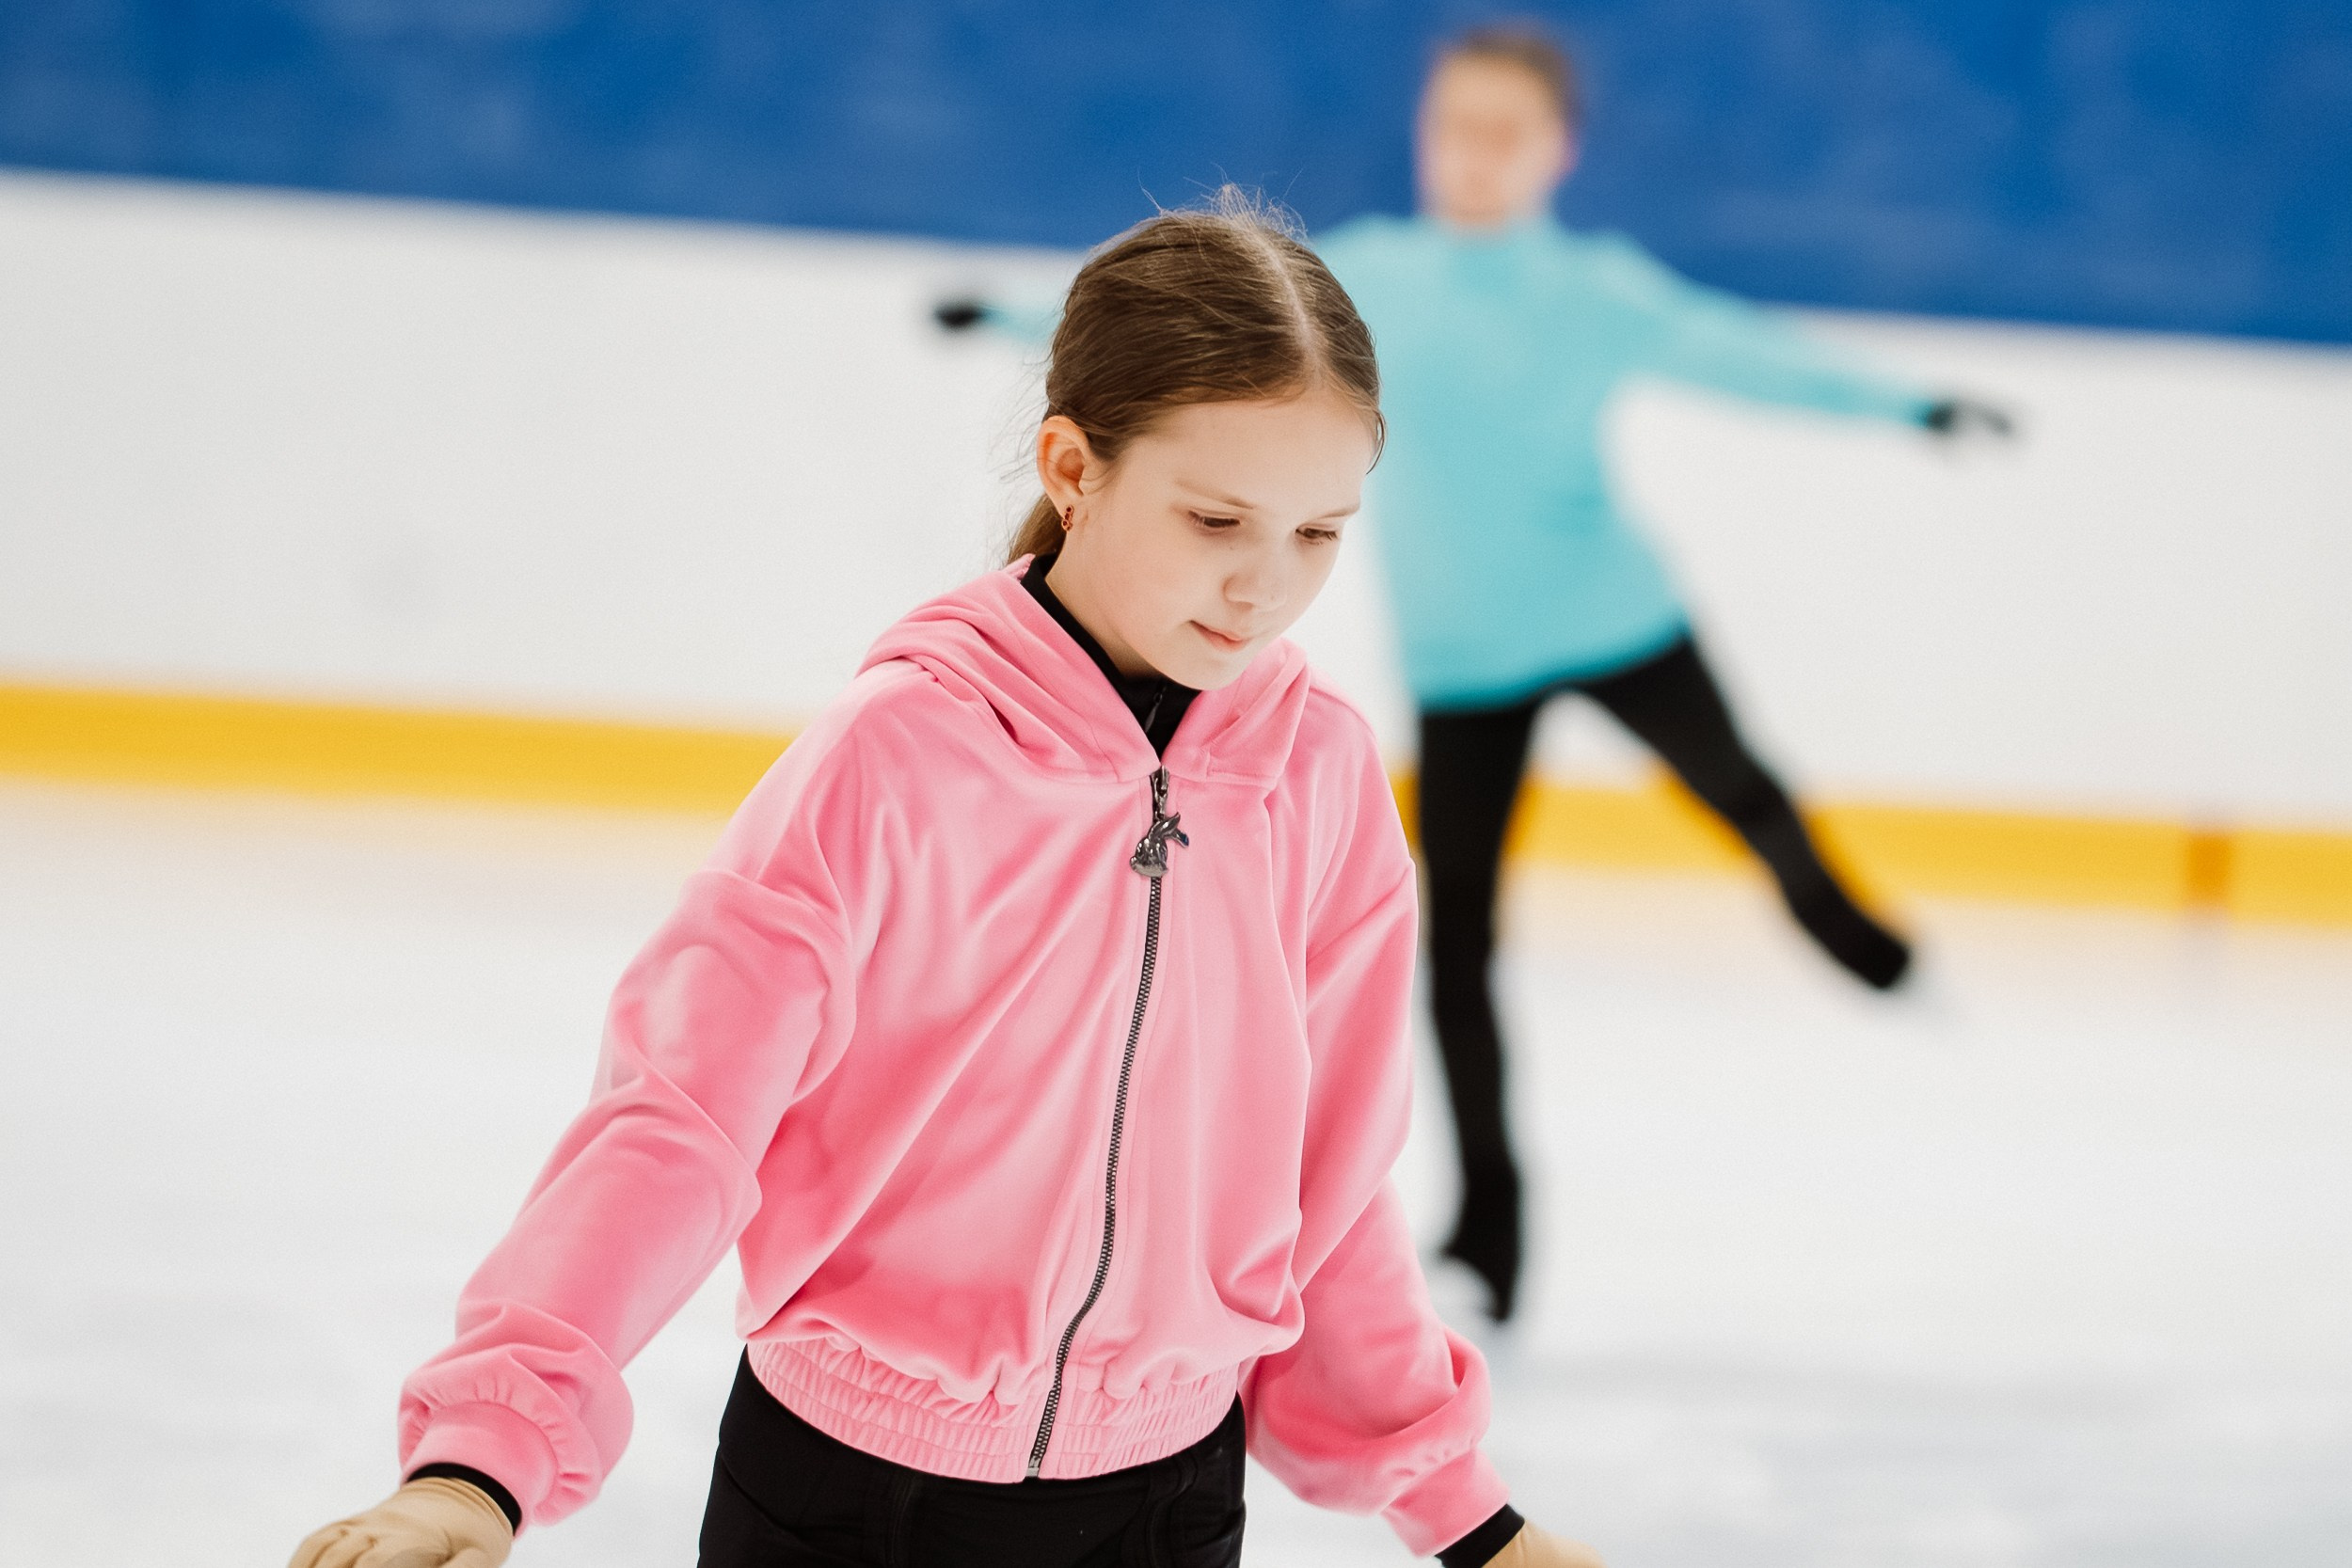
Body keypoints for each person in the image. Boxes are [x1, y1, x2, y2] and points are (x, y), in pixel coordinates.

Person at [288, 198, 1600, 1568]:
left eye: (1318, 534)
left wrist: (1465, 1517)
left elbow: (1321, 1184)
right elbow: (679, 1117)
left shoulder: (1317, 783)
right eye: (1217, 520)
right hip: (848, 1503)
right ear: (1073, 465)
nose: (1264, 589)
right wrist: (481, 1463)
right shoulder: (898, 755)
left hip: (1164, 1513)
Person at [1305, 26, 2011, 1323]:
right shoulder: (1362, 280)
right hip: (1464, 661)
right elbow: (1196, 315)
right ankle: (1491, 1237)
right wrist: (1029, 324)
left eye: (1506, 133)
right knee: (1455, 948)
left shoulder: (1593, 291)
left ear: (1558, 152)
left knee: (1743, 792)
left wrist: (1911, 407)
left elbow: (1747, 354)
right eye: (1455, 125)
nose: (1475, 155)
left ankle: (1863, 946)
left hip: (1615, 616)